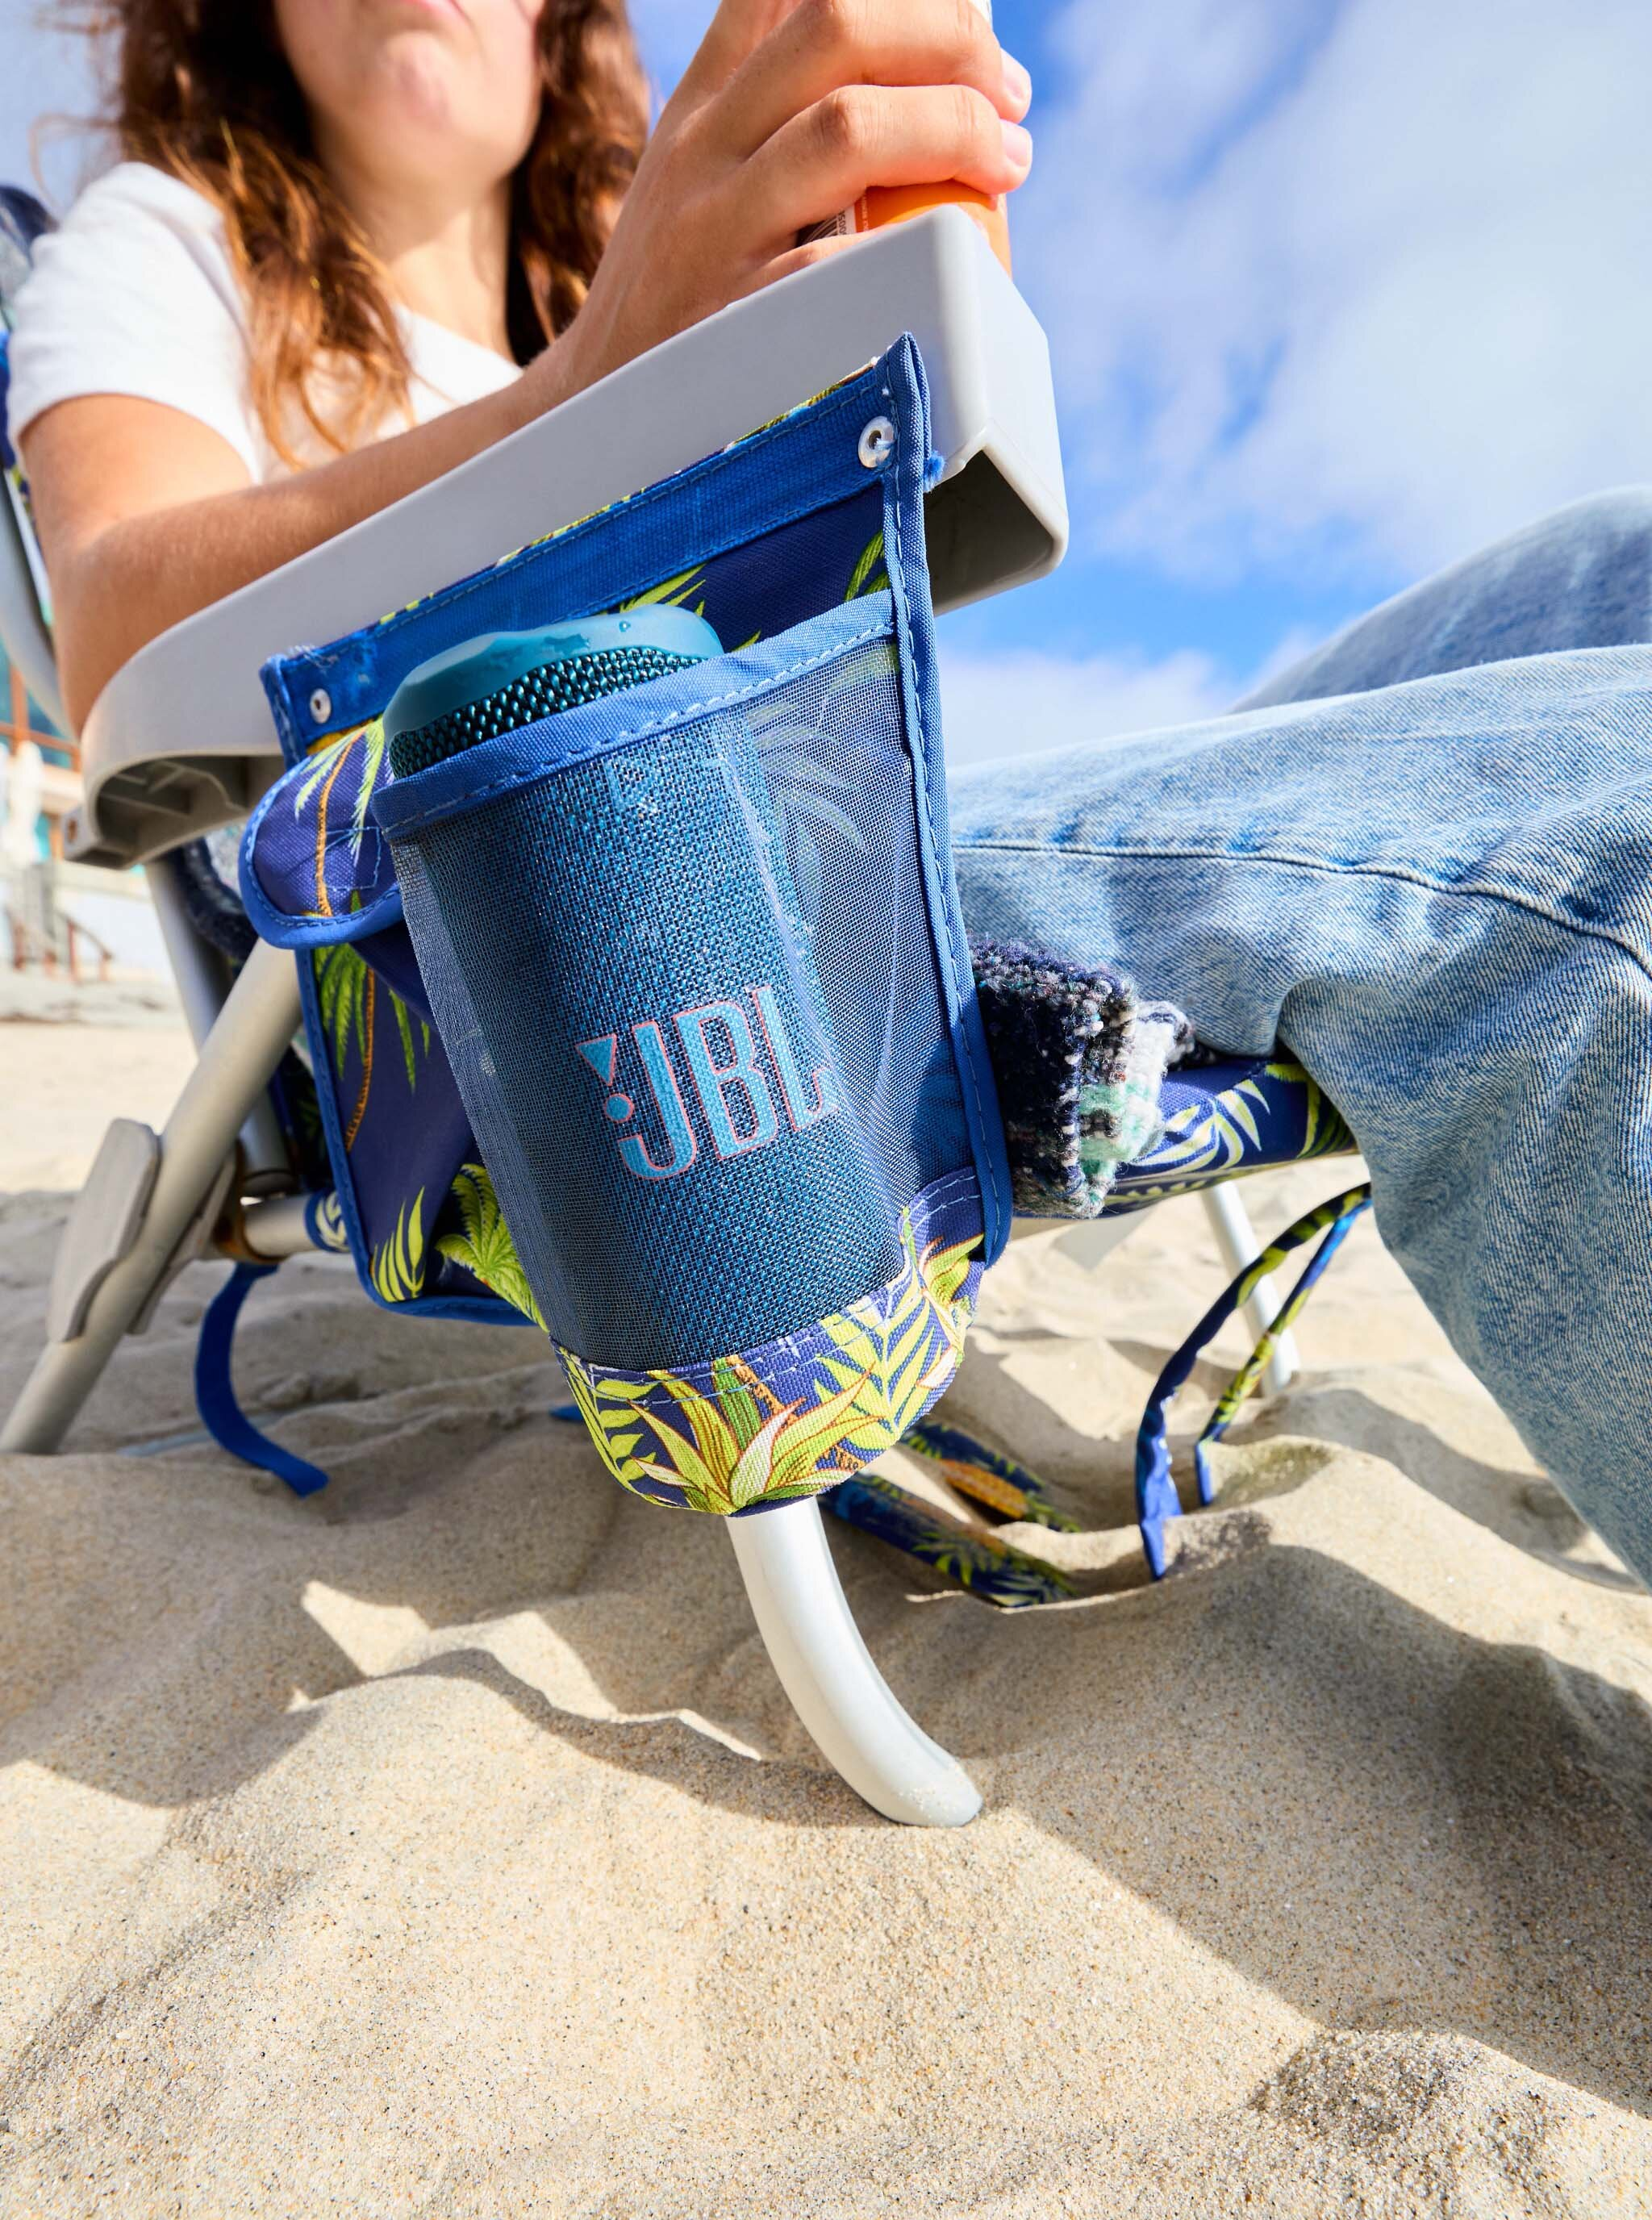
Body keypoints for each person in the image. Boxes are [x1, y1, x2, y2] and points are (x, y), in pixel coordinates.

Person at [10, 0, 1652, 1588]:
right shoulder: (169, 238)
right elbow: (124, 638)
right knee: (1581, 819)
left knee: (1607, 576)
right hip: (545, 950)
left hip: (832, 828)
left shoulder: (621, 280)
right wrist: (605, 371)